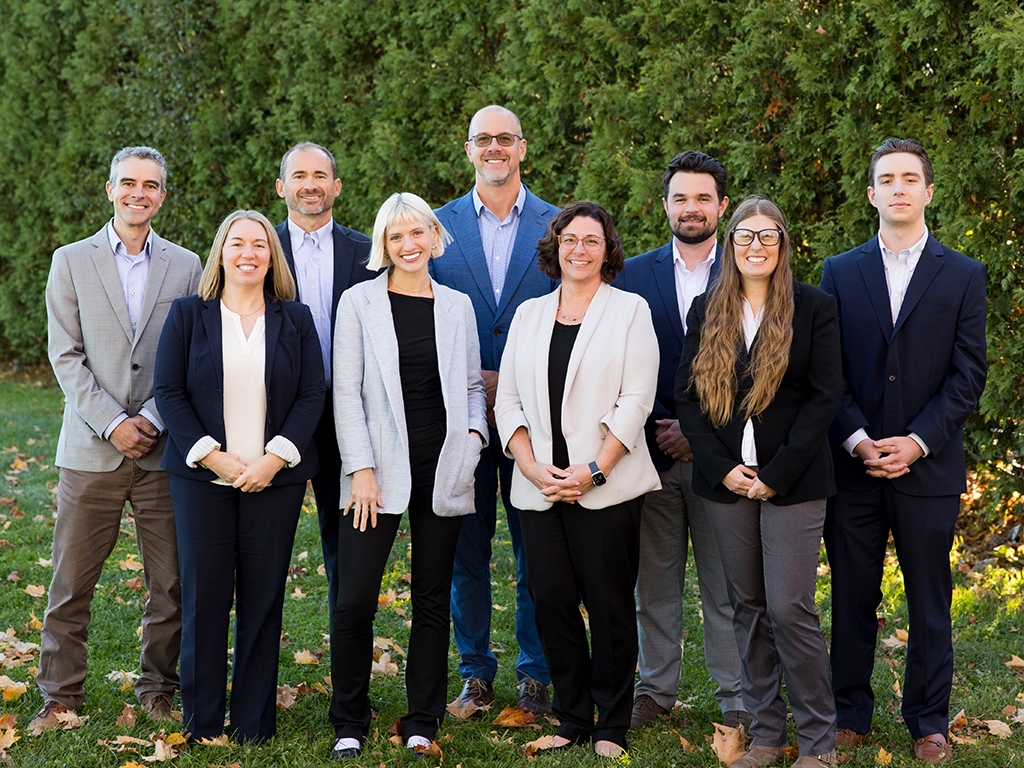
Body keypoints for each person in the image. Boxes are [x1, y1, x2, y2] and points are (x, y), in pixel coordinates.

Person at [820, 138, 987, 764]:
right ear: (871, 194)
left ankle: (928, 720)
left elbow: (968, 376)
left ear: (928, 191)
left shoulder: (964, 274)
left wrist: (916, 443)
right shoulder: (840, 271)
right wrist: (859, 440)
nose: (898, 188)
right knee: (851, 596)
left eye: (909, 178)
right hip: (854, 467)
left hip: (929, 468)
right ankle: (849, 714)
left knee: (929, 600)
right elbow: (826, 371)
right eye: (886, 179)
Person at [32, 146, 201, 733]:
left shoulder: (186, 265)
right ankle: (60, 695)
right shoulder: (70, 260)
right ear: (110, 190)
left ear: (162, 195)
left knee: (171, 583)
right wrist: (112, 422)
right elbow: (65, 355)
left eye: (150, 185)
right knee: (70, 582)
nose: (138, 193)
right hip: (90, 449)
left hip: (161, 449)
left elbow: (190, 354)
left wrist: (152, 417)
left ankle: (158, 689)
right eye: (128, 183)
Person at [675, 197, 842, 768]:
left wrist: (777, 474)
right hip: (727, 481)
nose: (756, 246)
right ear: (730, 244)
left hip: (793, 481)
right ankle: (768, 735)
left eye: (768, 236)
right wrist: (721, 467)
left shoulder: (813, 307)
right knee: (746, 606)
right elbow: (687, 398)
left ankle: (819, 742)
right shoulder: (706, 309)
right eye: (745, 235)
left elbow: (824, 398)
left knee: (790, 608)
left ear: (783, 245)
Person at [495, 201, 660, 757]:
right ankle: (572, 718)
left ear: (607, 249)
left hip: (605, 487)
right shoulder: (529, 315)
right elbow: (508, 401)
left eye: (592, 240)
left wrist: (595, 469)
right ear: (556, 247)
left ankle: (611, 723)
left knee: (610, 607)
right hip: (540, 487)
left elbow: (637, 399)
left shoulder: (630, 311)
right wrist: (529, 466)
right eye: (570, 239)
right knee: (552, 602)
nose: (579, 249)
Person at [154, 210, 325, 743]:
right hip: (203, 482)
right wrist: (213, 457)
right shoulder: (188, 314)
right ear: (221, 253)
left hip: (274, 482)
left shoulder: (295, 319)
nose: (248, 253)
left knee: (262, 600)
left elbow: (311, 394)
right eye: (237, 243)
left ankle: (253, 724)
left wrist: (275, 459)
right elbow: (168, 392)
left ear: (272, 257)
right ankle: (202, 723)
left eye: (259, 244)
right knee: (204, 598)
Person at [328, 193, 487, 760]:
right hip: (375, 472)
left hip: (443, 467)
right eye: (396, 236)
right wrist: (361, 469)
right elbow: (346, 393)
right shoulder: (358, 302)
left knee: (432, 599)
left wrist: (473, 442)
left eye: (417, 232)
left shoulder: (457, 307)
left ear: (434, 237)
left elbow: (473, 387)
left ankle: (423, 718)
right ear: (384, 244)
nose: (409, 244)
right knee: (354, 601)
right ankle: (349, 720)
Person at [613, 150, 747, 730]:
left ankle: (736, 697)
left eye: (702, 198)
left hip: (722, 457)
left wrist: (700, 433)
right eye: (680, 198)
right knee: (654, 583)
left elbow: (761, 367)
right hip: (647, 455)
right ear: (665, 205)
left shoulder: (749, 269)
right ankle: (655, 691)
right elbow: (617, 365)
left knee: (726, 587)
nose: (691, 208)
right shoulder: (632, 275)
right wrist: (655, 431)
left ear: (722, 205)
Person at [431, 105, 557, 714]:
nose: (494, 147)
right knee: (466, 551)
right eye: (483, 139)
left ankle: (537, 674)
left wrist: (512, 379)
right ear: (468, 149)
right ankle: (475, 671)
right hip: (462, 418)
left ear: (522, 147)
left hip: (540, 417)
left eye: (505, 138)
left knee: (539, 551)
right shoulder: (436, 227)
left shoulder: (560, 226)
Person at [275, 142, 377, 637]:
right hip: (279, 417)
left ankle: (348, 662)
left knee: (347, 546)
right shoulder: (259, 250)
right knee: (267, 546)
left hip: (348, 414)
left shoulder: (369, 254)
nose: (310, 184)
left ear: (336, 186)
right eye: (299, 176)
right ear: (282, 188)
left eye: (320, 176)